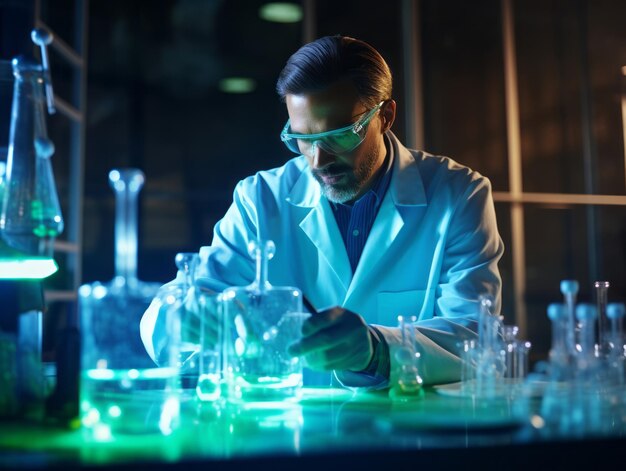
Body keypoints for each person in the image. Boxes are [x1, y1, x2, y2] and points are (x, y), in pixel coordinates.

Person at [140, 35, 504, 389]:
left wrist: (377, 350)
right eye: (303, 139)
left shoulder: (458, 194)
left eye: (339, 135)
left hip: (406, 433)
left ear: (386, 116)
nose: (319, 160)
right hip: (291, 433)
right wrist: (180, 318)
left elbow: (477, 338)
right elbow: (190, 298)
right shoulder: (260, 199)